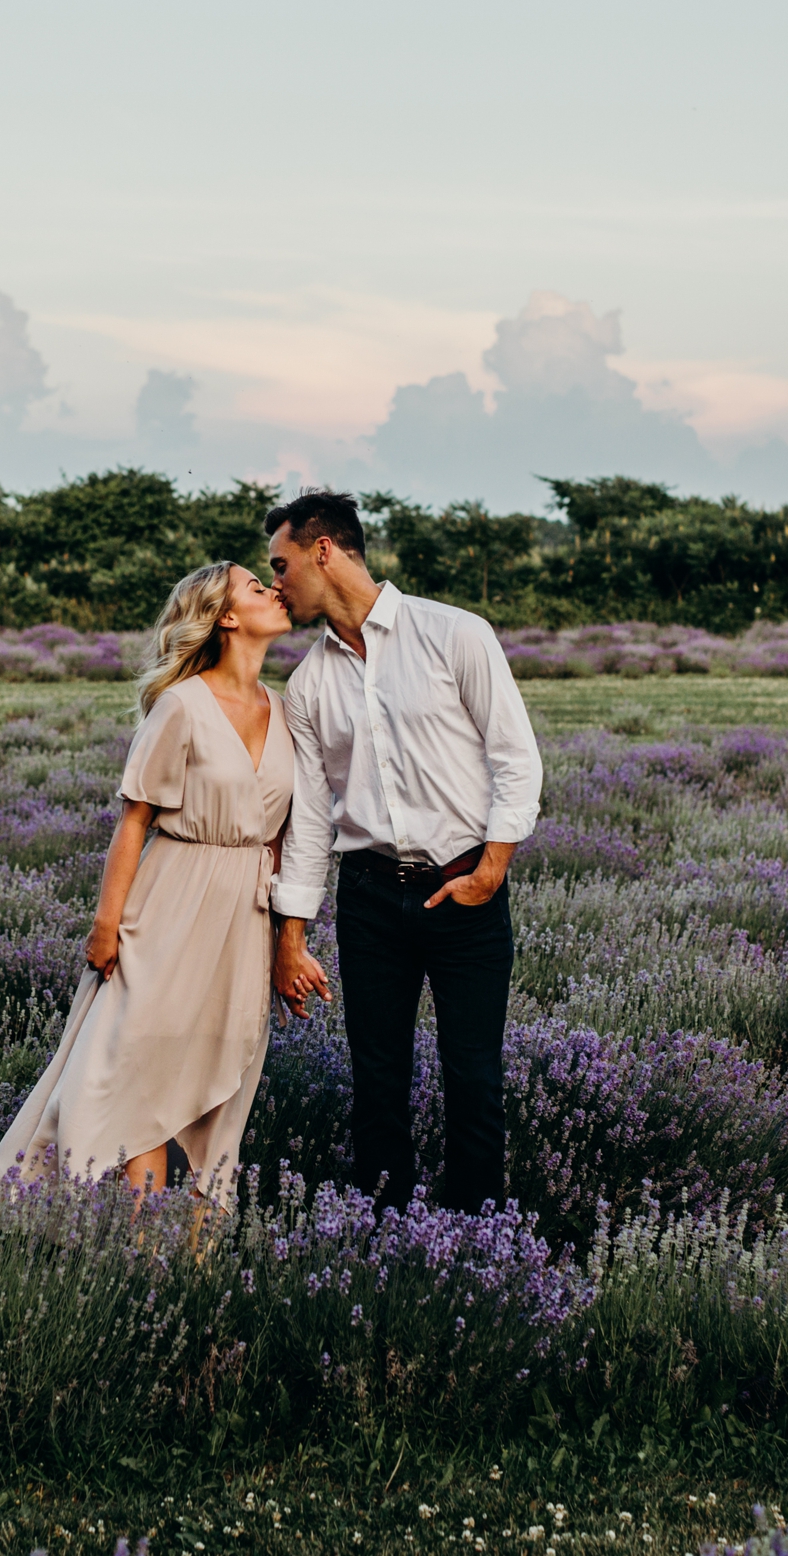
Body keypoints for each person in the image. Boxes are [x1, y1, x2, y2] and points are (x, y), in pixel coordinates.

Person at [0, 560, 297, 1208]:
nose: (275, 592)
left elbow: (282, 838)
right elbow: (134, 822)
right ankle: (145, 1249)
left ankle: (198, 1261)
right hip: (169, 905)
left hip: (245, 916)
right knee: (140, 1073)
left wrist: (288, 936)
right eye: (257, 587)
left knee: (223, 1081)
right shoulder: (182, 705)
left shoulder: (286, 708)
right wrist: (105, 928)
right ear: (227, 617)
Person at [264, 491, 543, 1213]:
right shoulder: (306, 684)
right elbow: (310, 823)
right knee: (377, 1078)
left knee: (474, 1076)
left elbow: (516, 760)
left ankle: (480, 1233)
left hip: (465, 889)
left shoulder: (455, 634)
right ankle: (383, 1232)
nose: (277, 583)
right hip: (368, 899)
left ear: (324, 551)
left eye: (283, 564)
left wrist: (491, 870)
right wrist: (290, 937)